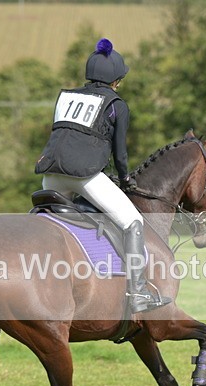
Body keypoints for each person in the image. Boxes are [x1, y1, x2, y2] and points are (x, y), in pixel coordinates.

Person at [35, 38, 171, 314]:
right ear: (116, 80)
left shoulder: (67, 96)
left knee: (43, 220)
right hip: (83, 176)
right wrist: (125, 180)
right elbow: (120, 153)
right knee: (133, 221)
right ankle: (138, 293)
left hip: (50, 177)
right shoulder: (116, 104)